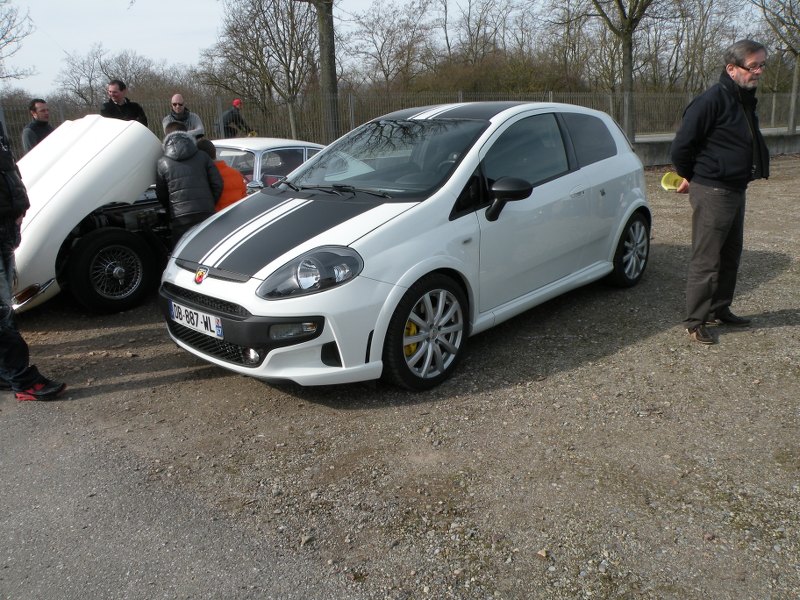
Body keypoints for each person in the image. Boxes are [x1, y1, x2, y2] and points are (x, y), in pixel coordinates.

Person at [670, 39, 770, 345]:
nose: (759, 72)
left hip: (735, 188)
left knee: (730, 254)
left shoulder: (743, 99)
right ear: (732, 68)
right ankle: (695, 321)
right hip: (713, 189)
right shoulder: (711, 101)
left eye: (762, 65)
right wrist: (688, 176)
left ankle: (719, 308)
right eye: (754, 66)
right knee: (707, 258)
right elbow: (681, 147)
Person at [0, 121, 66, 401]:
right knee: (1, 312)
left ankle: (7, 373)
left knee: (5, 310)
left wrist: (19, 211)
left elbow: (11, 176)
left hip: (5, 231)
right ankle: (22, 379)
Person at [156, 122, 223, 242]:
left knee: (183, 253)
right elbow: (217, 183)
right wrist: (209, 202)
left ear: (166, 137)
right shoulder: (202, 156)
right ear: (187, 134)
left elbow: (161, 194)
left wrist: (172, 208)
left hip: (180, 217)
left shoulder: (162, 162)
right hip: (205, 211)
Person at [196, 138, 248, 211]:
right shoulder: (236, 174)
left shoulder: (203, 178)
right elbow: (244, 200)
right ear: (214, 153)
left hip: (217, 220)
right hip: (238, 218)